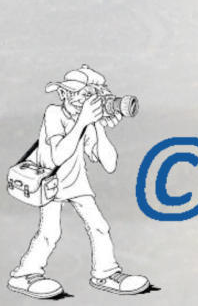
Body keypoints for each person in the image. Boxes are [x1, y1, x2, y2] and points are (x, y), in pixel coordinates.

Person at [7, 71, 148, 299]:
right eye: (73, 93)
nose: (78, 99)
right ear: (62, 93)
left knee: (99, 226)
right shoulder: (53, 113)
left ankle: (105, 273)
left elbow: (110, 164)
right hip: (51, 184)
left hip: (77, 183)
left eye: (86, 95)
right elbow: (57, 156)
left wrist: (98, 125)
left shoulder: (88, 122)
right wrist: (83, 121)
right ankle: (23, 275)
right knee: (50, 233)